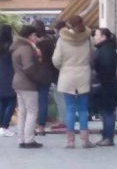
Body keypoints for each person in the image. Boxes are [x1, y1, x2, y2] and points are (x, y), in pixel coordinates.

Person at [52, 15, 94, 149]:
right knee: (83, 109)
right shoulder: (88, 38)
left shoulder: (62, 39)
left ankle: (70, 141)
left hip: (67, 75)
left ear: (68, 25)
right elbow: (92, 54)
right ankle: (85, 141)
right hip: (83, 74)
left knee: (70, 109)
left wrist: (64, 67)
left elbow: (56, 60)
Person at [10, 25, 44, 149]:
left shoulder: (17, 47)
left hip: (18, 82)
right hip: (28, 83)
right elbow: (29, 68)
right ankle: (29, 139)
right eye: (34, 35)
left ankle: (21, 139)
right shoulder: (27, 48)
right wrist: (38, 78)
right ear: (29, 36)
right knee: (32, 111)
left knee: (22, 112)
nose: (36, 37)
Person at [92, 28, 117, 146]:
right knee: (105, 112)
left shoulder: (106, 50)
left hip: (106, 85)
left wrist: (97, 73)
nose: (95, 37)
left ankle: (108, 137)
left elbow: (106, 68)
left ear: (103, 37)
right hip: (106, 84)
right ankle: (106, 136)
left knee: (107, 112)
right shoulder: (104, 48)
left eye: (97, 35)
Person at [33, 20, 55, 136]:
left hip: (33, 73)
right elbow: (53, 58)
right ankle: (41, 127)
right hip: (46, 72)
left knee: (32, 101)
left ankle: (32, 125)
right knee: (43, 100)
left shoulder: (31, 43)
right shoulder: (49, 42)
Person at [48, 19, 67, 132]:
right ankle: (63, 120)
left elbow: (57, 59)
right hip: (66, 73)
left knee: (60, 97)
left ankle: (64, 120)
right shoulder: (69, 38)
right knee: (62, 97)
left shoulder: (60, 40)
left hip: (59, 73)